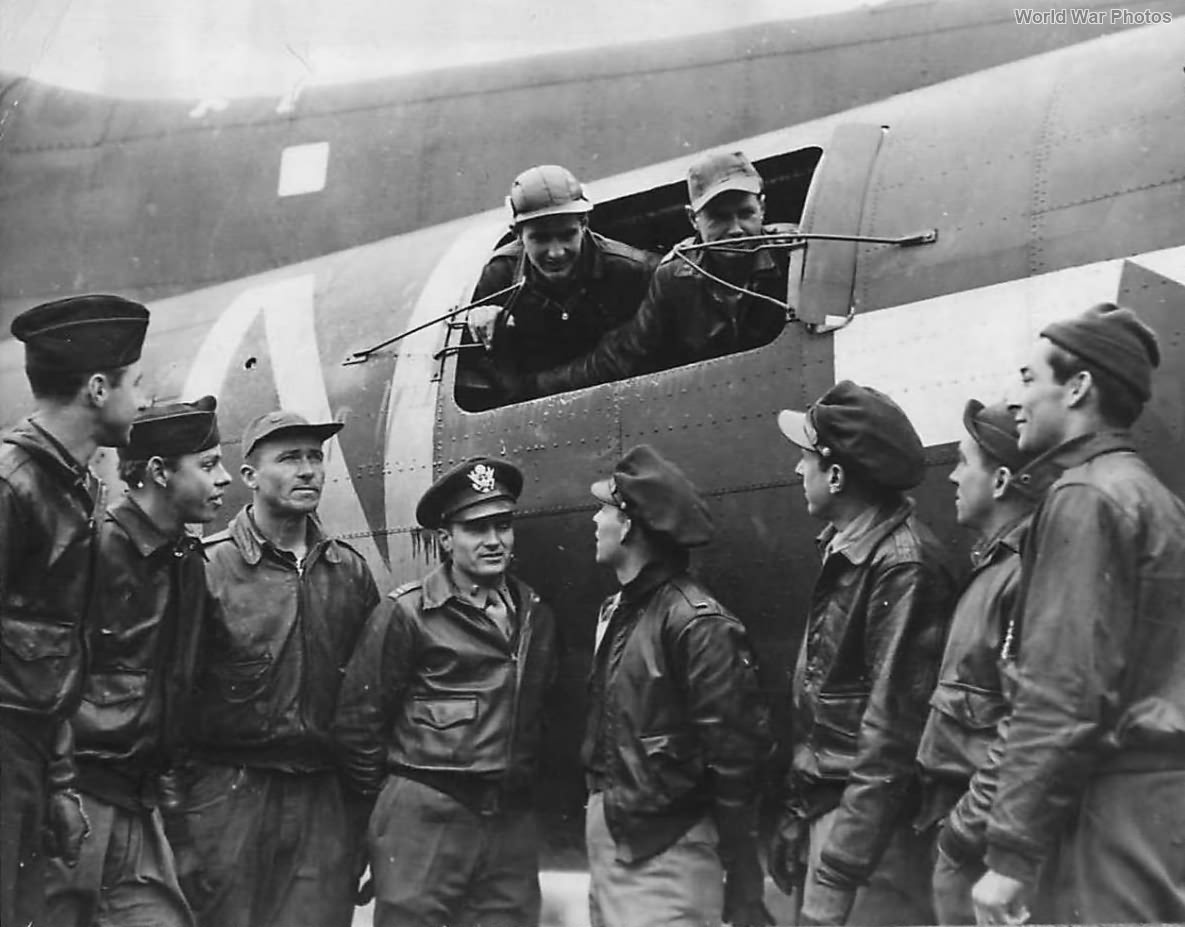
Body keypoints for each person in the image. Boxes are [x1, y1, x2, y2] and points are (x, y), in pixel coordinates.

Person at [972, 303, 1185, 925]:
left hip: (1113, 807)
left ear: (1078, 387)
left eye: (1030, 378)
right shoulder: (1152, 496)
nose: (1016, 400)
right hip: (1158, 804)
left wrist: (1010, 854)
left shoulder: (1084, 497)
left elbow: (1062, 689)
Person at [164, 410, 379, 927]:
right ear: (250, 477)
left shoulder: (348, 571)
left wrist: (363, 815)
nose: (308, 470)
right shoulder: (206, 569)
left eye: (314, 457)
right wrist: (177, 814)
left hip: (323, 799)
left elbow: (370, 704)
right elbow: (171, 695)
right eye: (289, 458)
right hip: (226, 797)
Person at [333, 456, 559, 927]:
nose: (494, 541)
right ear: (445, 539)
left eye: (503, 525)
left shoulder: (536, 614)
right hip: (425, 817)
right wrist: (386, 823)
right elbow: (358, 727)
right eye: (476, 529)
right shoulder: (408, 614)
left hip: (507, 823)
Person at [768, 380, 957, 925]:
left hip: (869, 841)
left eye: (805, 457)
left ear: (835, 474)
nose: (795, 471)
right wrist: (797, 817)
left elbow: (890, 739)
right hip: (835, 820)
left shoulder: (902, 564)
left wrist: (838, 873)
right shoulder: (854, 550)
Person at [43, 396, 231, 927]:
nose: (224, 481)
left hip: (136, 801)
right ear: (158, 472)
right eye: (209, 465)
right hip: (71, 795)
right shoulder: (90, 550)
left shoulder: (185, 563)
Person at [0, 294, 150, 927]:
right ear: (96, 388)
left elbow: (57, 656)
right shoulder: (13, 484)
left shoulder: (76, 484)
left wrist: (59, 784)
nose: (142, 400)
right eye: (134, 384)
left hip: (32, 757)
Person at [584, 444, 771, 927]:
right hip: (620, 853)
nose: (594, 521)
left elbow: (735, 760)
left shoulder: (698, 623)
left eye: (603, 509)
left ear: (626, 526)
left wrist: (745, 883)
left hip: (663, 862)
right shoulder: (622, 610)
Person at [914, 400, 1059, 924]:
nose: (951, 475)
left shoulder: (1024, 573)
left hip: (981, 845)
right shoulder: (995, 569)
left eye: (962, 460)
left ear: (1000, 481)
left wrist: (960, 833)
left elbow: (1027, 727)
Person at [531, 150, 796, 396]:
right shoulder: (675, 276)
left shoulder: (795, 251)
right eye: (719, 217)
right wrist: (537, 385)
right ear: (693, 219)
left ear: (762, 208)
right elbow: (626, 354)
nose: (736, 229)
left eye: (746, 213)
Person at [464, 164, 659, 405]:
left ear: (584, 223)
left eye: (567, 235)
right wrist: (477, 321)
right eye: (540, 238)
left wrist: (531, 387)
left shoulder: (632, 271)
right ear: (517, 234)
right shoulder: (500, 276)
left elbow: (639, 353)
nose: (556, 253)